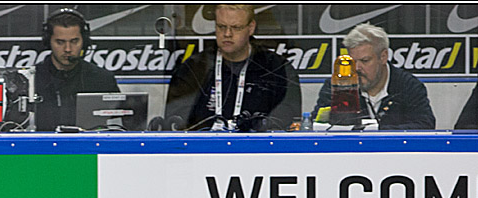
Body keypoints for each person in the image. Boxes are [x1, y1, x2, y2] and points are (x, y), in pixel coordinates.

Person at [164, 4, 301, 131]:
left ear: (251, 27)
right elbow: (176, 123)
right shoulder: (194, 68)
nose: (227, 34)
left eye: (236, 27)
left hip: (258, 151)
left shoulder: (276, 68)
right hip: (204, 151)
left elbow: (287, 122)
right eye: (221, 27)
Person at [312, 23, 435, 130]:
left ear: (383, 57)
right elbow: (316, 124)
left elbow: (425, 125)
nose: (357, 68)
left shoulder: (407, 85)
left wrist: (375, 130)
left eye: (365, 60)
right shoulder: (338, 84)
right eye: (352, 61)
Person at [34, 8, 120, 131]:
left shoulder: (102, 79)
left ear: (84, 41)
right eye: (60, 42)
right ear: (48, 42)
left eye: (74, 41)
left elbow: (118, 127)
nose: (68, 49)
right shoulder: (31, 80)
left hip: (89, 148)